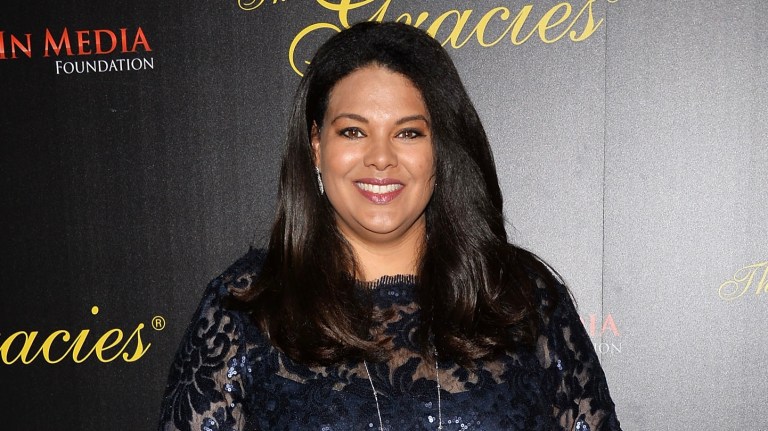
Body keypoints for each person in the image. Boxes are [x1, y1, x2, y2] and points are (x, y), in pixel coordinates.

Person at [158, 21, 621, 431]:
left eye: (408, 132)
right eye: (353, 131)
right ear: (316, 146)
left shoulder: (521, 297)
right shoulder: (248, 308)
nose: (381, 158)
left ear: (440, 148)